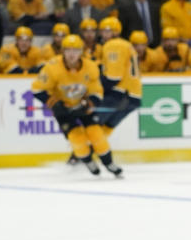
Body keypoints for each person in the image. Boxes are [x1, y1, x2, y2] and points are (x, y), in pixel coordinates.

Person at [31, 33, 123, 178]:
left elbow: (97, 91)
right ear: (63, 51)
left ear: (81, 52)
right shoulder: (52, 67)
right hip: (63, 110)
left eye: (75, 50)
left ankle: (108, 162)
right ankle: (88, 161)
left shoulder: (91, 67)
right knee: (76, 139)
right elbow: (37, 90)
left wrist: (89, 103)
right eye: (68, 50)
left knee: (96, 134)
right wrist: (56, 104)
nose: (72, 54)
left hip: (82, 106)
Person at [97, 16, 141, 137]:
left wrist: (95, 90)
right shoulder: (126, 45)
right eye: (103, 31)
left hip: (120, 95)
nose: (104, 34)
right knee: (106, 127)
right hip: (134, 97)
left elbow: (113, 78)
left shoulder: (113, 45)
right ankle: (92, 153)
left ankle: (81, 155)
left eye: (108, 31)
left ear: (116, 31)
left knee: (92, 126)